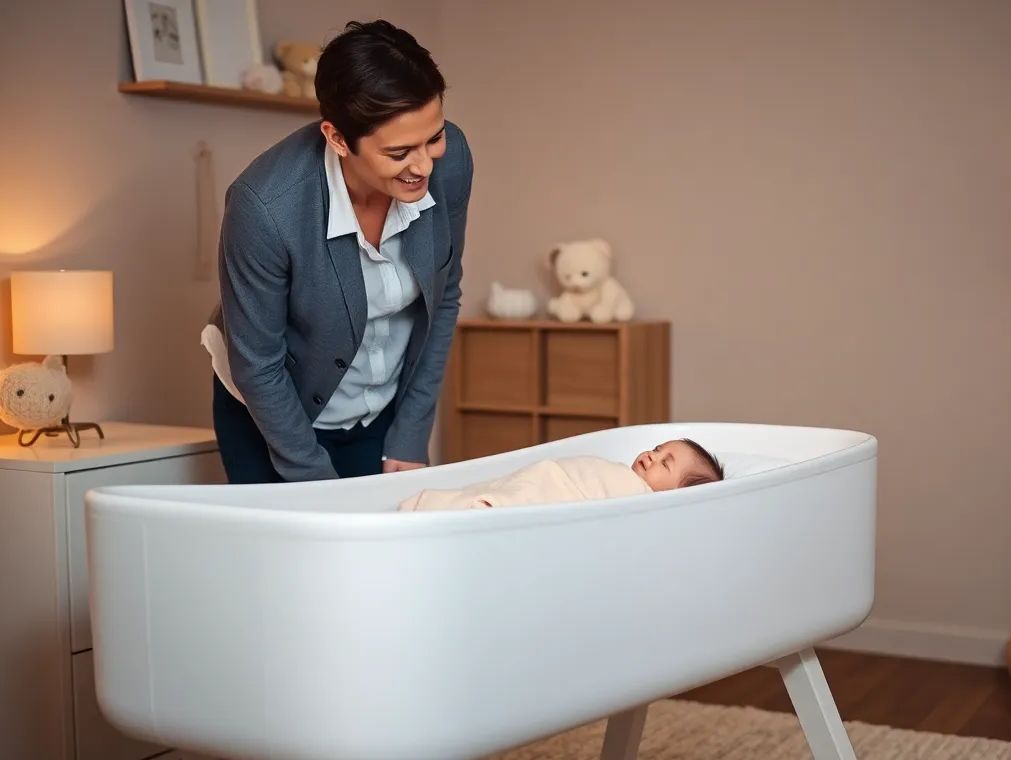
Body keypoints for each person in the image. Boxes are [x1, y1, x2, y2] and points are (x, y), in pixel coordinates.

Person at [200, 19, 472, 484]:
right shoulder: (265, 207)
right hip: (272, 416)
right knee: (296, 553)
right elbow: (259, 365)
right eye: (400, 152)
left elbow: (443, 300)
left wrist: (410, 431)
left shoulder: (451, 163)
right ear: (339, 139)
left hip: (380, 410)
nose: (425, 164)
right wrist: (315, 482)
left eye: (434, 136)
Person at [397, 439, 726, 511]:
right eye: (656, 449)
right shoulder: (615, 477)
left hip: (546, 495)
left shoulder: (637, 502)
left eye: (665, 464)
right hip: (548, 482)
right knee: (508, 490)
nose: (651, 456)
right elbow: (553, 477)